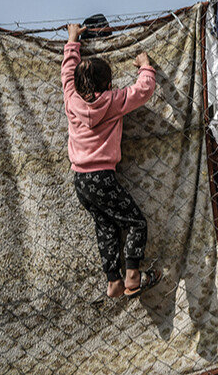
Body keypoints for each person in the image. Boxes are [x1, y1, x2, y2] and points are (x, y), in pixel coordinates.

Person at [62, 22, 161, 299]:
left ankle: (113, 282)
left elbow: (67, 73)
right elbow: (143, 90)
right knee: (136, 222)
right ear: (108, 84)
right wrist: (145, 65)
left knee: (105, 225)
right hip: (103, 177)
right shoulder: (113, 101)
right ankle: (132, 275)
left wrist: (73, 40)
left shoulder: (71, 100)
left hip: (80, 181)